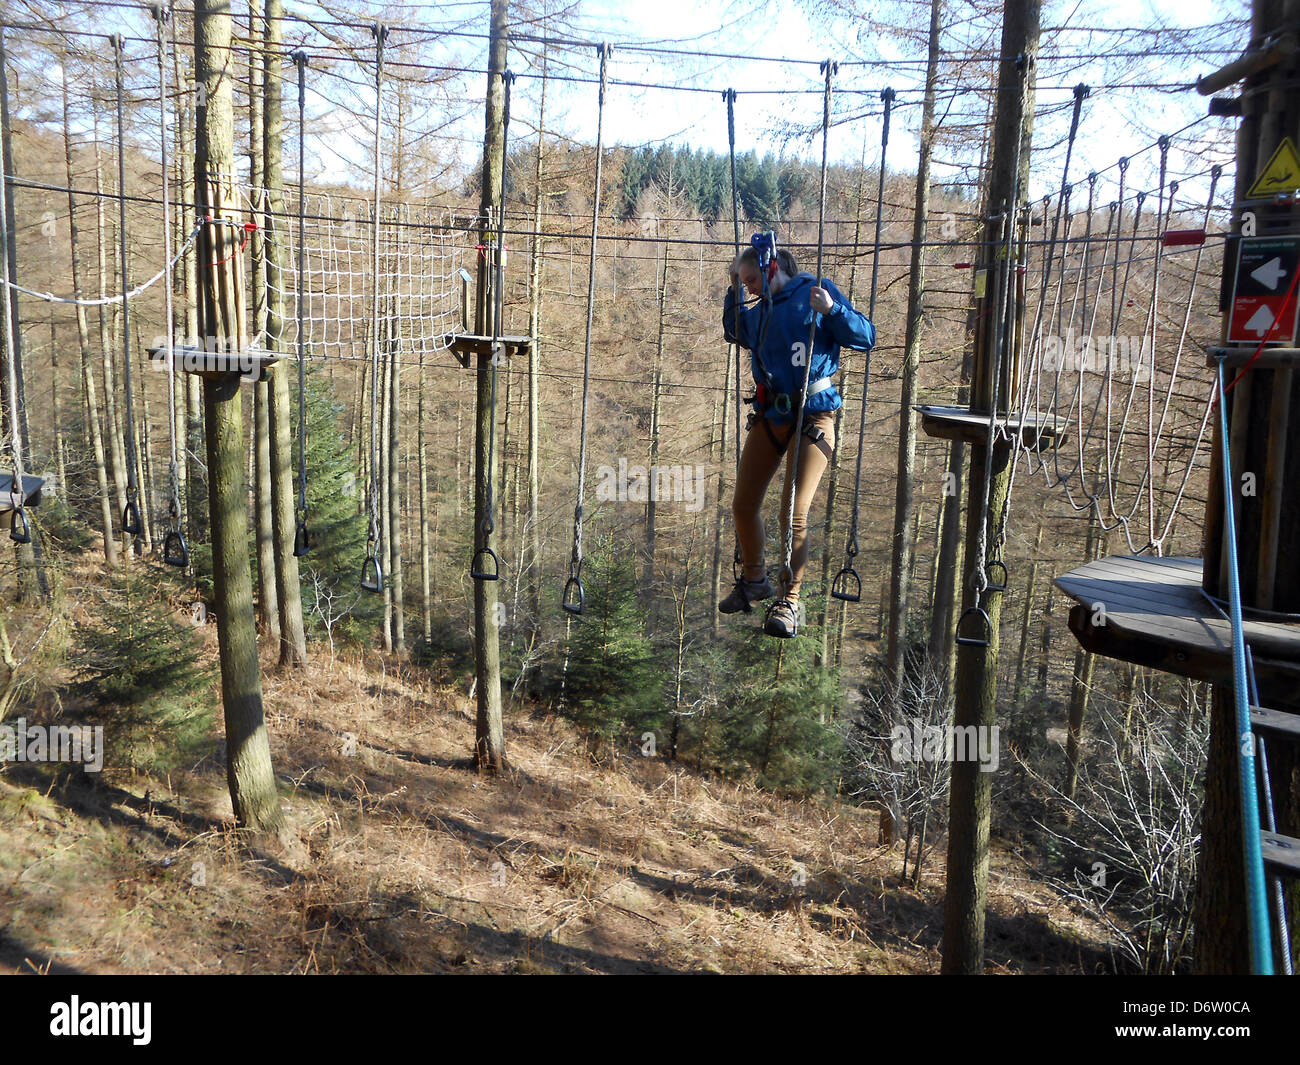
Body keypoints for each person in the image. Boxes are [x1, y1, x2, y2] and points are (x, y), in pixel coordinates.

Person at [720, 236, 875, 638]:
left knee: (793, 510)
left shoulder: (814, 292)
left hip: (814, 413)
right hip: (772, 413)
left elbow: (865, 337)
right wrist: (733, 289)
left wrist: (833, 310)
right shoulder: (761, 310)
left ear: (772, 269)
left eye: (751, 279)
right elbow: (735, 329)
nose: (749, 288)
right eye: (745, 282)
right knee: (742, 504)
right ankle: (755, 579)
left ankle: (791, 600)